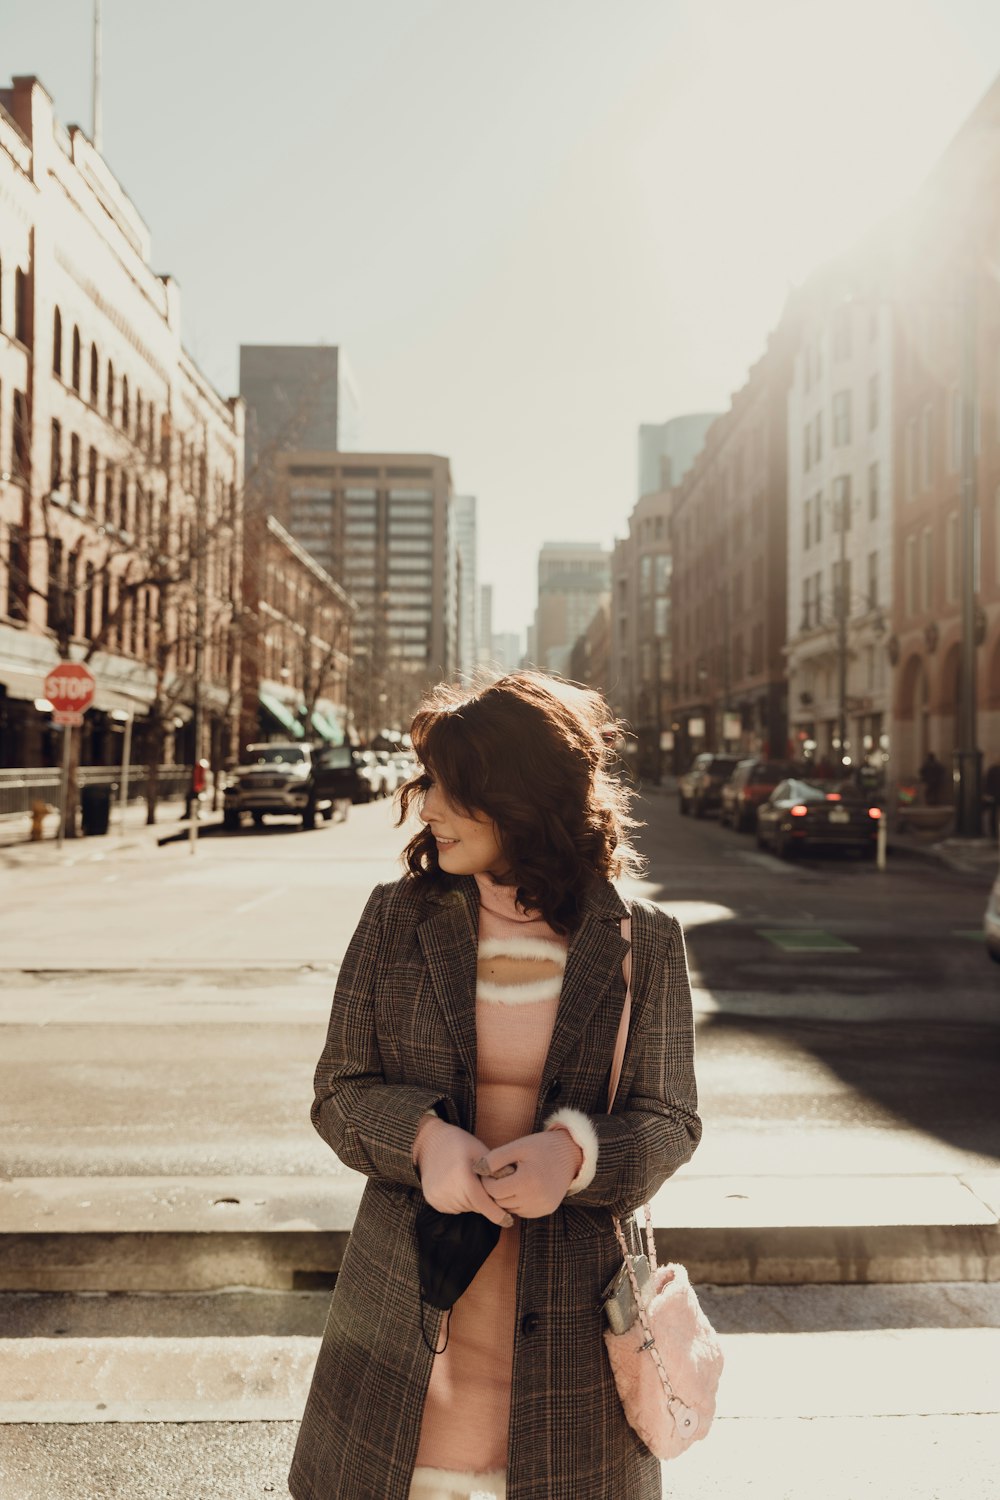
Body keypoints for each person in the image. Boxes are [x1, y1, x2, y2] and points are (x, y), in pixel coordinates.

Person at [289, 671, 701, 1500]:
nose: (426, 807)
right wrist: (423, 1140)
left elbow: (670, 1119)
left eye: (448, 787)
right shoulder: (396, 918)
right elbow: (339, 1089)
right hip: (406, 1316)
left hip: (575, 1336)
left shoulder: (641, 940)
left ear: (517, 794)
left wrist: (573, 1159)